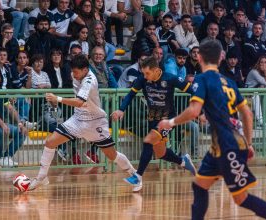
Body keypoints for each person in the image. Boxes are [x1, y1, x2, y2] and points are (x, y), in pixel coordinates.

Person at [158, 39, 266, 219]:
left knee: (241, 198)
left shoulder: (202, 79)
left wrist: (169, 123)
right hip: (222, 146)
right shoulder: (229, 82)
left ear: (199, 57)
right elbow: (247, 114)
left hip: (228, 145)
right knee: (200, 185)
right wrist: (248, 143)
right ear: (221, 58)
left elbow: (193, 111)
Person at [28, 54, 137, 191]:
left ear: (85, 70)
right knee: (50, 142)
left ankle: (134, 174)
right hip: (78, 119)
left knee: (111, 155)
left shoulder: (90, 81)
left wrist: (58, 99)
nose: (73, 74)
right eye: (72, 71)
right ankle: (41, 177)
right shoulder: (76, 75)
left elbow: (80, 102)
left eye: (76, 72)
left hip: (95, 122)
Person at [111, 56, 197, 192]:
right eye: (143, 73)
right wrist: (121, 109)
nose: (145, 76)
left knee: (148, 141)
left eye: (147, 73)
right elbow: (130, 95)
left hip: (167, 120)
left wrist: (198, 108)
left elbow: (193, 91)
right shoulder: (143, 79)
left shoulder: (170, 78)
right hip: (153, 119)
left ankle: (137, 176)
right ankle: (183, 161)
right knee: (161, 153)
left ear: (156, 70)